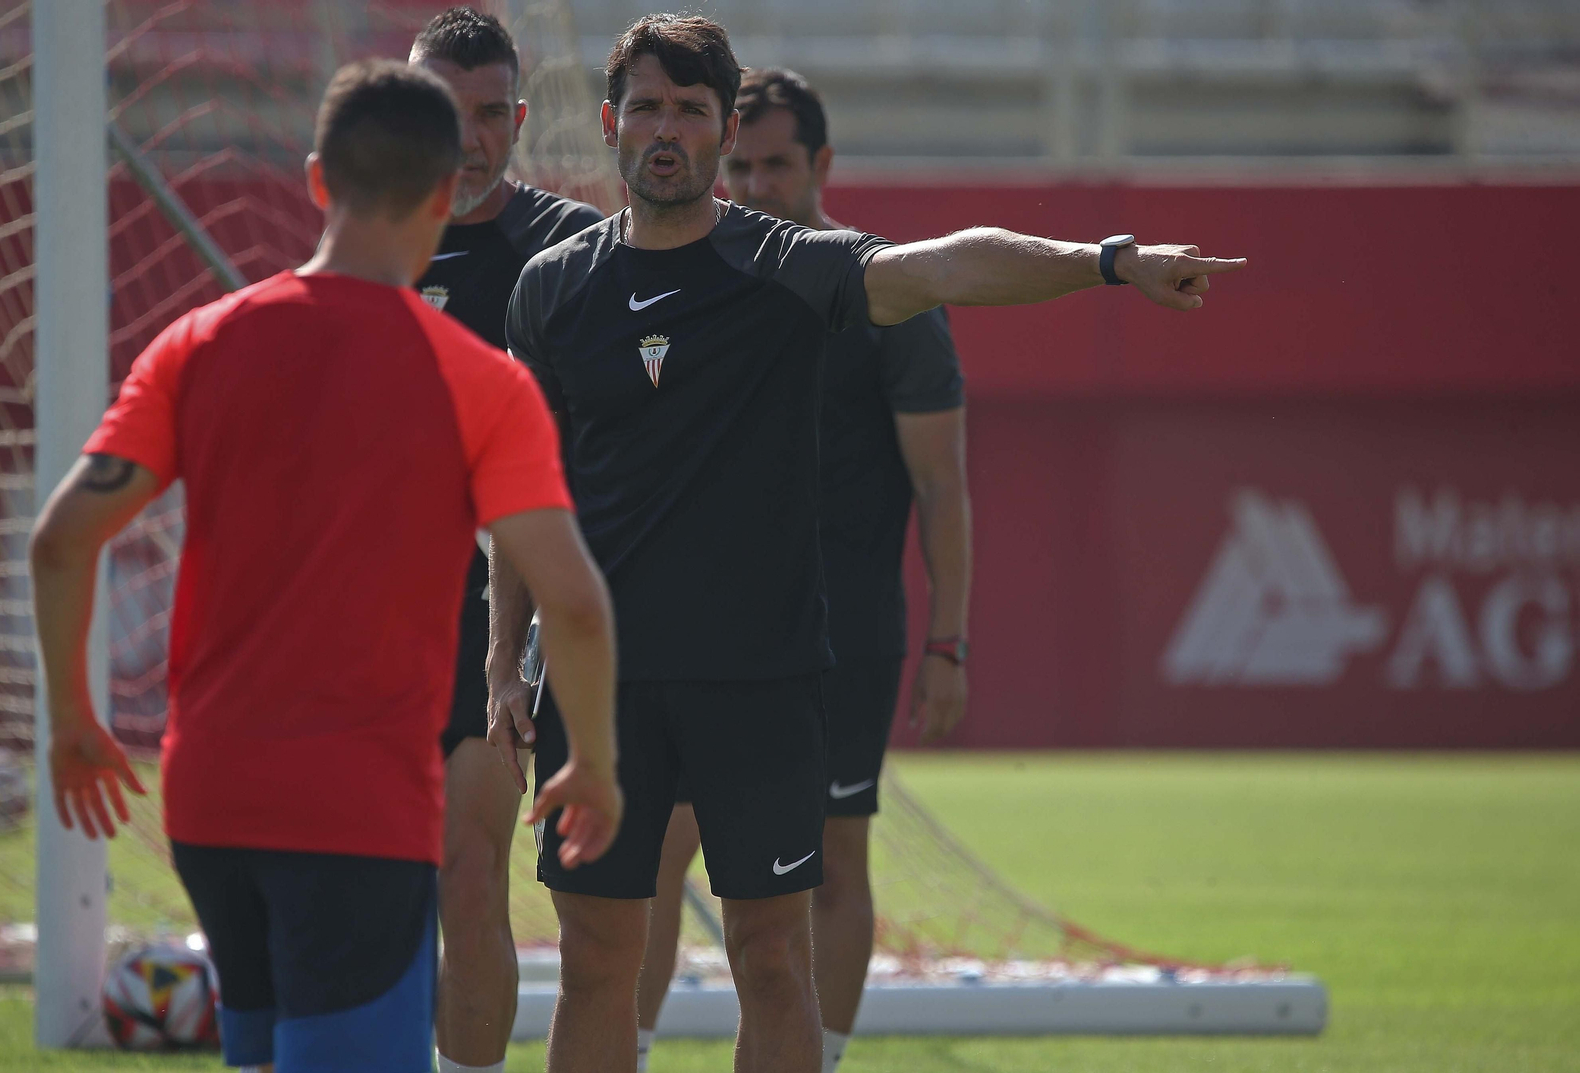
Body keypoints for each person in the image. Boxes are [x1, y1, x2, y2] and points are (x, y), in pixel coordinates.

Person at [490, 15, 1244, 1073]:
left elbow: (950, 268)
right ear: (611, 122)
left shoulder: (788, 267)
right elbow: (526, 495)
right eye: (649, 107)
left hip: (762, 677)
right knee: (597, 960)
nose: (668, 129)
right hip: (597, 685)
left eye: (693, 111)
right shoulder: (548, 289)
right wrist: (503, 657)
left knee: (770, 958)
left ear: (720, 130)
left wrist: (1110, 260)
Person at [31, 59, 621, 1073]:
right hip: (356, 810)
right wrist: (596, 762)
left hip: (210, 797)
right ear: (445, 194)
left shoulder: (199, 342)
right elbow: (571, 599)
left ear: (315, 182)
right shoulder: (479, 381)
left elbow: (59, 540)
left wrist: (77, 725)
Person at [633, 67, 970, 1073]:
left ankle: (811, 1059)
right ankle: (631, 1049)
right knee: (657, 852)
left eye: (776, 164)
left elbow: (941, 486)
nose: (756, 183)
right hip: (706, 632)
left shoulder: (887, 294)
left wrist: (948, 639)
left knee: (831, 863)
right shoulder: (698, 280)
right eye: (740, 164)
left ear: (821, 164)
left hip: (842, 636)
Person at [406, 11, 606, 1072]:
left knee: (474, 873)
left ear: (520, 119)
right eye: (446, 114)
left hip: (505, 614)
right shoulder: (361, 251)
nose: (471, 139)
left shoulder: (571, 252)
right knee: (379, 889)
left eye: (491, 115)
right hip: (375, 615)